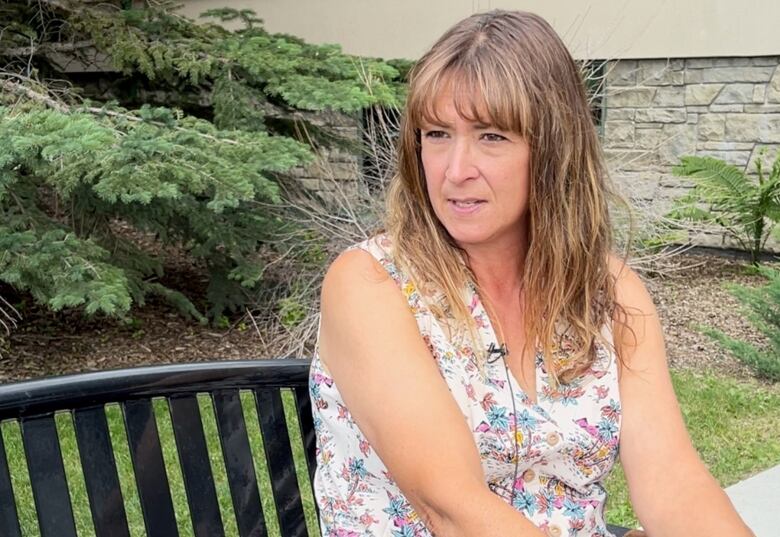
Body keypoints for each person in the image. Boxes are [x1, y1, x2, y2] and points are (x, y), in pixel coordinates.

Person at [308, 9, 753, 537]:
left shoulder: (609, 294)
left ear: (552, 150)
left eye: (491, 136)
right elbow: (452, 509)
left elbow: (672, 481)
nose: (455, 170)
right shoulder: (370, 285)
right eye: (437, 134)